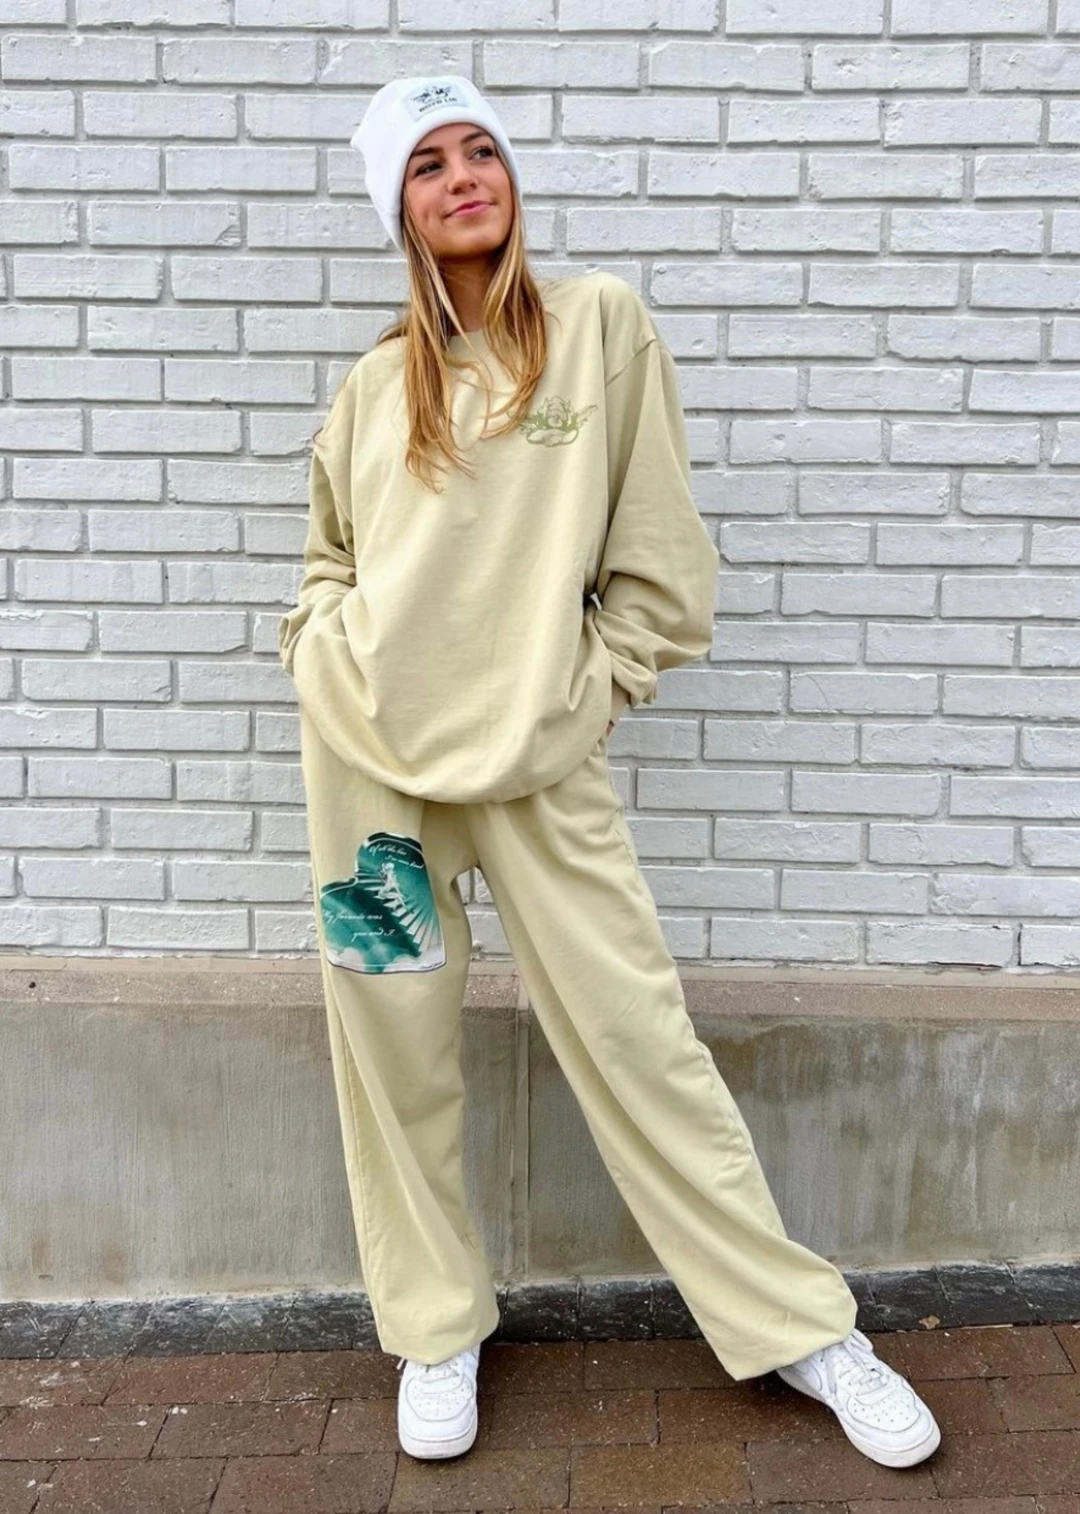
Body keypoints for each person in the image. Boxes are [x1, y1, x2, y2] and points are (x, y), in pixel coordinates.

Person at [278, 73, 941, 1472]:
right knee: (391, 1047)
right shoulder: (371, 388)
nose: (464, 176)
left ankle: (799, 1323)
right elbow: (329, 558)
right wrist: (319, 650)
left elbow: (656, 559)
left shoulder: (596, 329)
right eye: (428, 165)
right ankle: (436, 1324)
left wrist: (600, 685)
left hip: (537, 762)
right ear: (397, 208)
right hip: (374, 778)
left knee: (640, 1040)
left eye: (481, 150)